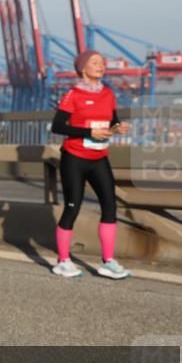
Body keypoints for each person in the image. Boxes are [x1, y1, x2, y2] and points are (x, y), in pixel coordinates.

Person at [51, 49, 131, 280]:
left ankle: (108, 262)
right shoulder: (72, 95)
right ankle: (63, 261)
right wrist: (89, 131)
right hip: (74, 158)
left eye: (102, 62)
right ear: (83, 68)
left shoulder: (108, 93)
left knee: (110, 206)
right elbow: (58, 126)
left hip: (99, 158)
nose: (101, 65)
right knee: (72, 208)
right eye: (95, 62)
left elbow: (112, 120)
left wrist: (119, 127)